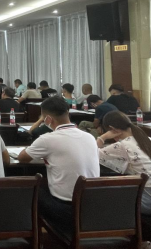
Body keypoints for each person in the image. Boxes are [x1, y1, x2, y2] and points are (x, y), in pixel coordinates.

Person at [18, 97, 99, 230]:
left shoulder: (47, 139)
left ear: (48, 119)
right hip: (92, 208)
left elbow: (22, 158)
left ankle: (32, 236)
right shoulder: (89, 137)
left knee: (27, 187)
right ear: (68, 113)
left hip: (66, 211)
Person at [97, 111, 151, 216]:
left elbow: (92, 154)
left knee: (103, 194)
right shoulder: (150, 140)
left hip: (150, 201)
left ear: (112, 129)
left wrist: (103, 137)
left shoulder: (123, 145)